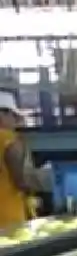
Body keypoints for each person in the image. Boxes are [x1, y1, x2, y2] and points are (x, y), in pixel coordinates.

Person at [0, 93, 50, 228]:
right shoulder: (9, 141)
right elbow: (21, 181)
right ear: (3, 114)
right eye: (13, 116)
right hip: (7, 216)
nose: (15, 122)